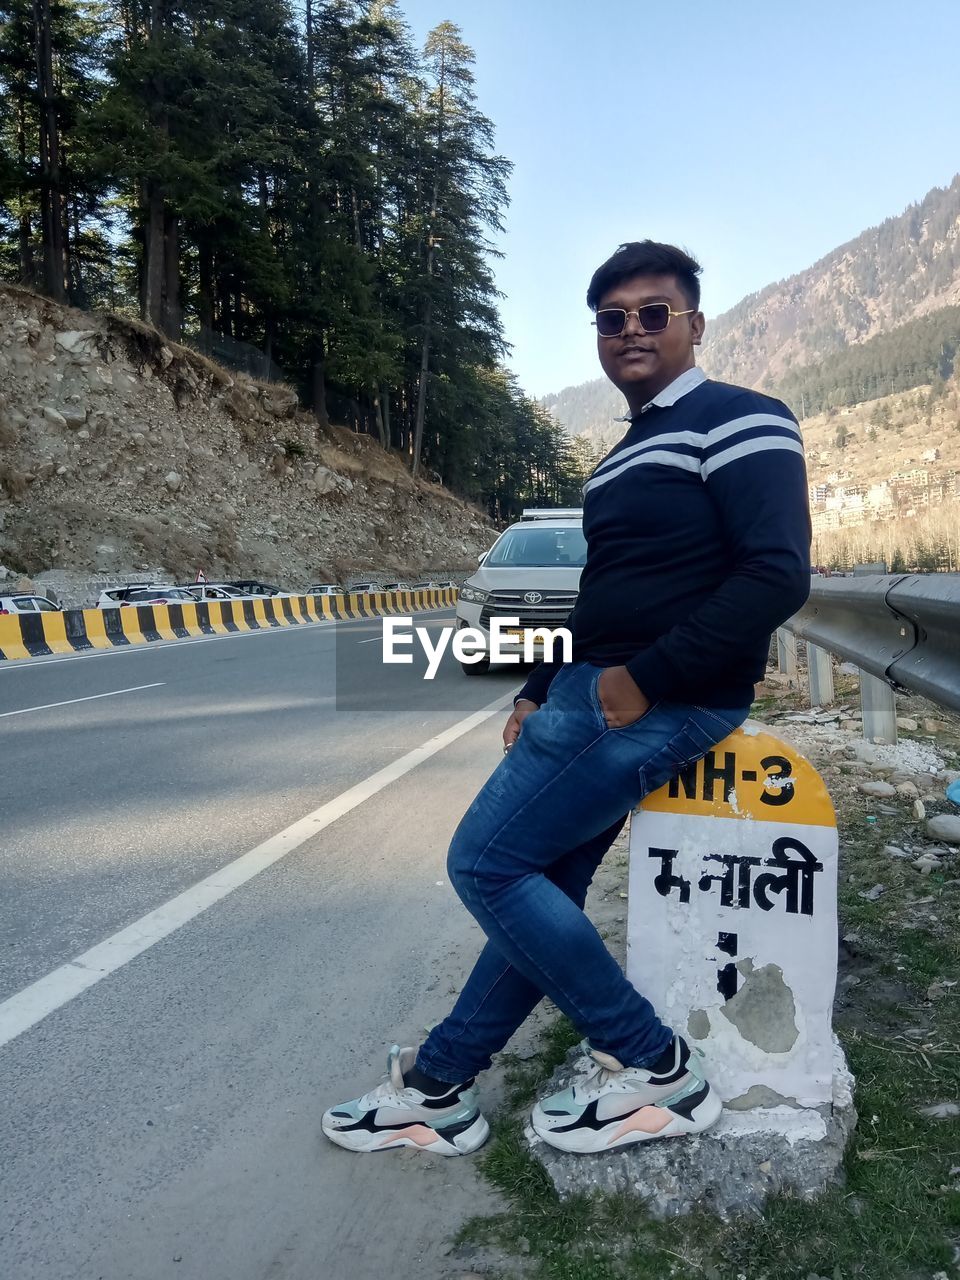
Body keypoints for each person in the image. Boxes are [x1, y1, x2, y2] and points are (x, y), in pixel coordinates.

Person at [322, 241, 811, 1157]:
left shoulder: (741, 418)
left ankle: (654, 1066)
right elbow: (607, 591)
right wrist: (539, 687)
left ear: (695, 325)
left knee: (483, 865)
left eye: (654, 312)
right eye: (613, 318)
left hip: (657, 699)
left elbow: (776, 574)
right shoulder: (620, 458)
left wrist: (640, 682)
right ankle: (439, 1085)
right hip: (594, 695)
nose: (632, 330)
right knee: (539, 883)